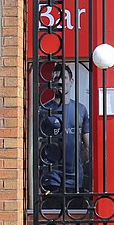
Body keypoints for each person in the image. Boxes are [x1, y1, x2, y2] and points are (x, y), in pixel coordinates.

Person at [36, 62, 92, 200]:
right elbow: (36, 147)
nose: (60, 82)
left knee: (75, 219)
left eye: (64, 78)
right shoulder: (44, 110)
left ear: (71, 81)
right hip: (52, 178)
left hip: (76, 179)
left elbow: (88, 146)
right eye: (56, 79)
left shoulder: (81, 109)